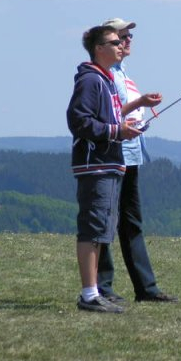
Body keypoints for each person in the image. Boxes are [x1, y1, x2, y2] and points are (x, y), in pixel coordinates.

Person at [66, 25, 162, 313]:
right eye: (114, 42)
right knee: (93, 229)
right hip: (96, 165)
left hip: (109, 163)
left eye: (121, 41)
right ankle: (89, 295)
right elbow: (78, 121)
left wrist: (123, 125)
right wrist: (116, 131)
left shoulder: (105, 80)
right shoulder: (91, 80)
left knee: (101, 229)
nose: (121, 45)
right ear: (99, 48)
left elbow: (105, 117)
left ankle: (94, 293)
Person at [97, 17, 178, 303]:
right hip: (112, 154)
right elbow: (108, 111)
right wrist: (141, 103)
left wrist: (141, 108)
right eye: (122, 36)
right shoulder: (105, 73)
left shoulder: (122, 72)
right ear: (107, 43)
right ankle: (102, 288)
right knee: (107, 220)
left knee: (132, 221)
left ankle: (146, 289)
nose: (128, 40)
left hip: (130, 153)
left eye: (129, 36)